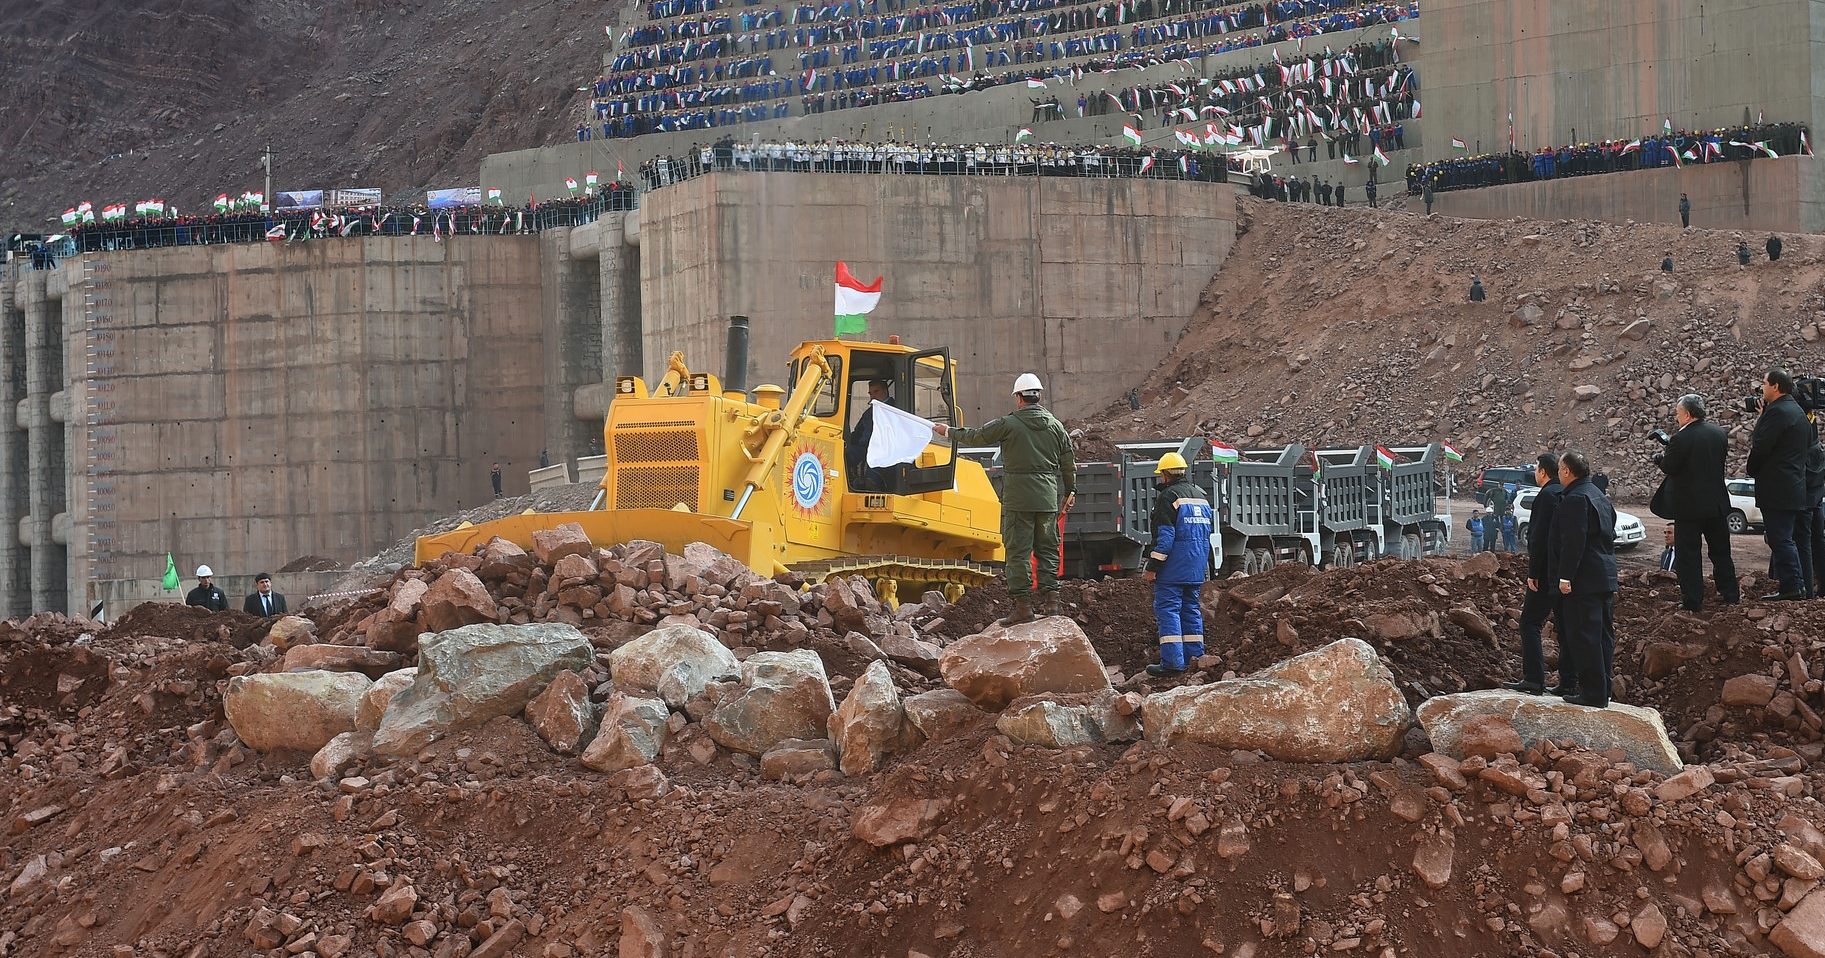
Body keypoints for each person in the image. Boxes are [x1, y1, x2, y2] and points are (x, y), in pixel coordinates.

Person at [932, 373, 1076, 623]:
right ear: (1039, 396)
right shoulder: (1056, 426)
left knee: (1018, 553)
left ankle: (1024, 609)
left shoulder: (1009, 424)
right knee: (1048, 550)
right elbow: (1068, 462)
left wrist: (949, 432)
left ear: (1019, 398)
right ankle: (1053, 606)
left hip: (1019, 499)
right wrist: (1071, 491)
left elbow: (976, 436)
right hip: (1047, 499)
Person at [1650, 394, 1740, 610]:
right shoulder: (1719, 433)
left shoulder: (1681, 439)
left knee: (1689, 556)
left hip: (1689, 508)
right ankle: (1730, 595)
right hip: (1717, 504)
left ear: (1687, 414)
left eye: (1678, 413)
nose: (1676, 417)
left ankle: (1692, 601)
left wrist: (1659, 458)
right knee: (1721, 553)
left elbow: (1669, 467)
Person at [1552, 450, 1618, 708]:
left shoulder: (1575, 498)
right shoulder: (1599, 496)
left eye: (1560, 469)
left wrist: (1565, 576)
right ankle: (1603, 689)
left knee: (1585, 635)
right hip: (1604, 575)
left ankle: (1593, 692)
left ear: (1567, 471)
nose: (1559, 473)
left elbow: (1574, 541)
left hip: (1585, 578)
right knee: (1603, 635)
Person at [1142, 452, 1212, 676]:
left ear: (1164, 475)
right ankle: (1195, 658)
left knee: (1168, 609)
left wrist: (1153, 566)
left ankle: (1172, 663)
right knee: (1190, 609)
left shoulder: (1168, 497)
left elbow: (1165, 538)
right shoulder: (1200, 496)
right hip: (1196, 565)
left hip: (1174, 567)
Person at [1747, 368, 1814, 600]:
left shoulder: (1777, 413)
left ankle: (1792, 587)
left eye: (1764, 383)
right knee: (1787, 538)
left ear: (1775, 386)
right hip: (1794, 487)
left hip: (1777, 488)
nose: (1761, 388)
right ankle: (1797, 585)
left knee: (1780, 539)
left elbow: (1761, 446)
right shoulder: (1797, 411)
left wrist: (1751, 469)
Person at [1503, 454, 1566, 694]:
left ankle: (1534, 678)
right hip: (1565, 572)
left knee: (1530, 622)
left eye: (1537, 468)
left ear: (1543, 472)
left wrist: (1534, 572)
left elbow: (1539, 538)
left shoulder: (1546, 495)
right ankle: (1568, 682)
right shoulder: (1566, 492)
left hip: (1546, 572)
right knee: (1564, 627)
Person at [846, 379, 894, 490]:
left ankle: (873, 485)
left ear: (886, 391)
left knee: (873, 474)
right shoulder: (869, 412)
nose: (873, 396)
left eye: (876, 392)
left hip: (882, 448)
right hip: (864, 448)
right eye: (870, 393)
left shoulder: (894, 409)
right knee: (845, 453)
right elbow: (858, 432)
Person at [1484, 482, 1509, 552]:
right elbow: (1490, 497)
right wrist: (1492, 502)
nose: (1501, 486)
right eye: (1500, 485)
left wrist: (1506, 503)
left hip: (1502, 507)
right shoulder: (1494, 490)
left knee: (1502, 519)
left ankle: (1501, 528)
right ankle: (1495, 528)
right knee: (1495, 519)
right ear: (1498, 485)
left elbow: (1506, 498)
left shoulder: (1504, 491)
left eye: (1502, 485)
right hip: (1497, 507)